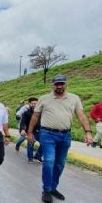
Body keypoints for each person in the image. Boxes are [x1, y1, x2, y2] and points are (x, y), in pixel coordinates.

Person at [27, 74, 93, 203]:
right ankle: (46, 190)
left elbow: (81, 116)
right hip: (47, 134)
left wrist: (88, 132)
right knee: (49, 161)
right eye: (57, 84)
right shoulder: (44, 99)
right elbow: (35, 117)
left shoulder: (74, 98)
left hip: (65, 135)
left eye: (62, 83)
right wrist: (30, 133)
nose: (59, 86)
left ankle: (52, 187)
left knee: (60, 163)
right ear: (53, 85)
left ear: (66, 84)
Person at [20, 97, 42, 163]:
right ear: (29, 104)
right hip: (30, 132)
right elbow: (23, 122)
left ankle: (38, 155)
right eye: (32, 103)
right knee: (30, 144)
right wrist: (23, 129)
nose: (34, 105)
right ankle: (30, 158)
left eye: (36, 103)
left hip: (40, 131)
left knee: (45, 143)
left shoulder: (40, 112)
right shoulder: (26, 113)